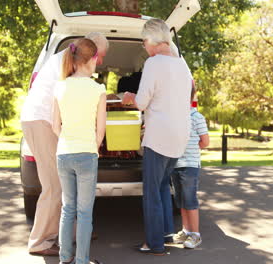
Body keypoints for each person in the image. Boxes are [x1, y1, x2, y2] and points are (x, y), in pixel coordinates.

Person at [20, 32, 108, 256]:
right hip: (41, 122)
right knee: (54, 185)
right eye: (100, 56)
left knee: (64, 183)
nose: (101, 62)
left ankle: (74, 231)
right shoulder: (66, 65)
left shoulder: (65, 59)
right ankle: (40, 241)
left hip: (42, 121)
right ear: (90, 53)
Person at [122, 18, 192, 255]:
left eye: (143, 42)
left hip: (158, 136)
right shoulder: (182, 64)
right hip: (180, 136)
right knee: (163, 185)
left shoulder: (154, 63)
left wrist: (131, 96)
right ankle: (166, 233)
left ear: (152, 40)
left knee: (151, 191)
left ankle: (154, 244)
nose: (144, 47)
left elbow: (142, 102)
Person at [53, 38, 106, 264]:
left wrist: (68, 140)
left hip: (63, 153)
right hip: (86, 153)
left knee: (68, 209)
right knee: (84, 213)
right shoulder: (98, 89)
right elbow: (100, 131)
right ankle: (82, 260)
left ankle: (65, 258)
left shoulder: (60, 86)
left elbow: (55, 126)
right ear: (93, 59)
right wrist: (91, 146)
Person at [171, 84, 209, 249]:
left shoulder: (196, 117)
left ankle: (196, 234)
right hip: (176, 164)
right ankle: (185, 230)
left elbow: (205, 142)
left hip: (190, 165)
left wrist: (192, 147)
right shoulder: (174, 117)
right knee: (180, 199)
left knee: (190, 199)